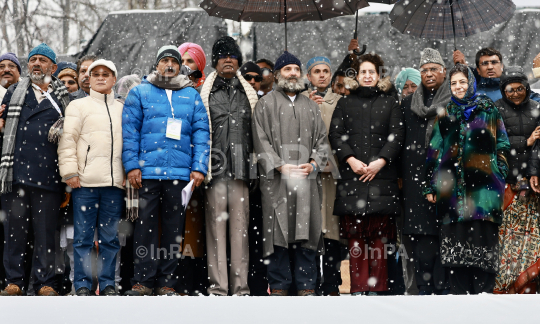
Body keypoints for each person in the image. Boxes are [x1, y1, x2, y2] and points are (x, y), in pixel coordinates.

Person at [122, 45, 210, 296]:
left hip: (181, 175)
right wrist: (132, 167)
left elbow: (202, 133)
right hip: (147, 173)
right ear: (157, 65)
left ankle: (167, 282)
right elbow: (130, 133)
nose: (169, 65)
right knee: (145, 228)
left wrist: (199, 167)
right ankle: (143, 280)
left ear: (179, 66)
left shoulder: (190, 95)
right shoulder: (140, 92)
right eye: (165, 61)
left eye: (173, 61)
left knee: (174, 229)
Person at [424, 63, 510, 295]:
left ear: (471, 82)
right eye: (453, 83)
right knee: (456, 250)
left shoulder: (488, 108)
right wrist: (430, 185)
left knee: (483, 246)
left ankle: (484, 300)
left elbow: (502, 143)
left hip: (485, 191)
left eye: (462, 82)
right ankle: (460, 303)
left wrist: (498, 171)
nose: (458, 87)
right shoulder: (445, 113)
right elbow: (433, 151)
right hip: (452, 192)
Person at [252, 51, 328, 296]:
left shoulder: (311, 106)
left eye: (296, 69)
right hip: (277, 181)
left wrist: (314, 163)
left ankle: (307, 285)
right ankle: (279, 284)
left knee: (308, 229)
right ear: (276, 75)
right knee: (278, 231)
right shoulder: (265, 105)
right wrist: (279, 165)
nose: (293, 73)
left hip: (306, 180)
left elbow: (323, 141)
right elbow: (259, 140)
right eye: (287, 69)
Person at [329, 53, 403, 296]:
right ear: (356, 76)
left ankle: (378, 290)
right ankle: (359, 289)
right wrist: (351, 160)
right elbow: (336, 134)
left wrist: (380, 162)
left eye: (372, 72)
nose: (368, 76)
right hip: (354, 181)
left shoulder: (390, 103)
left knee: (380, 241)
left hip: (381, 182)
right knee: (356, 241)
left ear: (378, 76)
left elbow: (397, 136)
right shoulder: (344, 102)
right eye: (363, 72)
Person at [0, 43, 71, 296]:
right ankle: (14, 282)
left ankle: (46, 283)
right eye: (32, 60)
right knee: (14, 234)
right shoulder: (14, 93)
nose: (36, 64)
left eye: (42, 60)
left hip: (48, 177)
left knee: (46, 235)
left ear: (53, 67)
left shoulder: (65, 100)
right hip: (15, 175)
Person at [58, 59, 124, 296]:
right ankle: (83, 284)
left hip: (114, 184)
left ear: (114, 79)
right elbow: (67, 142)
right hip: (84, 183)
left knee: (110, 238)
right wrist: (70, 172)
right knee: (83, 237)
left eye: (105, 73)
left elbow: (127, 144)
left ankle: (107, 284)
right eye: (95, 73)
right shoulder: (78, 106)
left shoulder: (122, 108)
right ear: (88, 78)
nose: (100, 77)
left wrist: (125, 173)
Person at [199, 36, 258, 296]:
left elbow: (258, 134)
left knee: (240, 233)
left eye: (232, 55)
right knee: (215, 232)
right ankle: (218, 288)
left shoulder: (249, 94)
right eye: (222, 55)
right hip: (215, 171)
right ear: (214, 61)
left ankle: (241, 288)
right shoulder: (206, 93)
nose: (228, 59)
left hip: (242, 171)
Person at [400, 48, 451, 295]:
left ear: (444, 72)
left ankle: (443, 292)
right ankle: (423, 291)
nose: (429, 73)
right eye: (425, 70)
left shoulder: (455, 101)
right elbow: (399, 141)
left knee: (446, 236)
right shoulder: (409, 103)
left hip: (446, 179)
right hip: (414, 181)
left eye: (434, 69)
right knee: (421, 242)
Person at [301, 56, 344, 296]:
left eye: (326, 71)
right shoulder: (300, 101)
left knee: (330, 229)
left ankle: (331, 281)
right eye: (316, 71)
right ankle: (309, 282)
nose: (321, 75)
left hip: (330, 174)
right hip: (306, 174)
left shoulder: (339, 102)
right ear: (308, 76)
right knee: (309, 229)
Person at [495, 67, 540, 294]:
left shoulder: (536, 108)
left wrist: (534, 171)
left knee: (530, 238)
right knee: (507, 239)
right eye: (509, 89)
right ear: (503, 90)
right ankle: (505, 288)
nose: (515, 93)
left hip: (530, 185)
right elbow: (494, 140)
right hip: (505, 183)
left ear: (527, 87)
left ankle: (527, 286)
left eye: (519, 88)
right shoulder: (497, 109)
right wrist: (526, 141)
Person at [454, 48, 540, 103]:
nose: (490, 67)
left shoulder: (515, 87)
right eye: (485, 63)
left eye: (494, 62)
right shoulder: (470, 94)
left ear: (502, 66)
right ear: (478, 70)